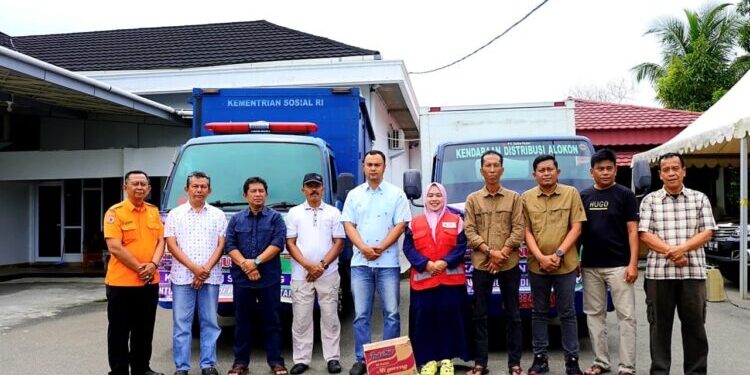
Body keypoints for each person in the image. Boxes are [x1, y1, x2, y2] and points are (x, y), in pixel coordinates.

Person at [638, 153, 716, 375]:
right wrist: (672, 253)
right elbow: (644, 234)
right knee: (659, 330)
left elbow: (708, 232)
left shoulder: (699, 198)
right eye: (666, 169)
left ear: (683, 171)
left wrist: (680, 250)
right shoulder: (650, 200)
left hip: (692, 273)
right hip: (658, 275)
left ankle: (697, 371)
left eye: (675, 168)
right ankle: (660, 372)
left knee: (695, 328)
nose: (671, 173)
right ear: (660, 174)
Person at [341, 150, 412, 375]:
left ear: (384, 167)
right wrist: (363, 248)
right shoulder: (354, 195)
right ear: (364, 167)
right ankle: (362, 359)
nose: (373, 168)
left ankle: (389, 360)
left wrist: (380, 247)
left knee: (391, 312)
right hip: (361, 264)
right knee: (362, 314)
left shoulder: (396, 194)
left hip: (388, 263)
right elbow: (348, 225)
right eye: (369, 164)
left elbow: (400, 225)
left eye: (377, 165)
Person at [522, 155, 586, 375]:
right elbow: (526, 231)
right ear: (534, 175)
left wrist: (558, 254)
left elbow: (576, 228)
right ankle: (540, 359)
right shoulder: (526, 198)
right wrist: (540, 256)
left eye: (550, 169)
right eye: (541, 170)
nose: (546, 173)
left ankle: (572, 361)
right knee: (538, 312)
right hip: (537, 265)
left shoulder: (571, 194)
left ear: (557, 172)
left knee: (567, 312)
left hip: (565, 264)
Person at [463, 150, 526, 375]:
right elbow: (469, 231)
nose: (492, 170)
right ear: (481, 171)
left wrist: (503, 253)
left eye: (495, 165)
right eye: (487, 166)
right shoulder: (472, 199)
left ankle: (515, 364)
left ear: (502, 169)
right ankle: (480, 364)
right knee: (480, 314)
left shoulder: (514, 198)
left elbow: (519, 229)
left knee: (513, 315)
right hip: (482, 264)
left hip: (508, 264)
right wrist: (491, 253)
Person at [579, 150, 639, 375]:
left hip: (620, 266)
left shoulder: (625, 195)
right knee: (594, 316)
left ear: (616, 170)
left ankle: (627, 367)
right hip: (591, 266)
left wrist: (633, 264)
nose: (605, 172)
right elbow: (578, 231)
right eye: (600, 168)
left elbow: (633, 231)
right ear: (591, 171)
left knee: (626, 317)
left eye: (609, 168)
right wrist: (576, 259)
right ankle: (601, 362)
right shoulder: (583, 196)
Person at [404, 182, 471, 375]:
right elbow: (408, 248)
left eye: (438, 195)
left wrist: (444, 262)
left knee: (449, 321)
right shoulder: (414, 223)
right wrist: (425, 264)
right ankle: (428, 361)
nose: (434, 199)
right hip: (423, 282)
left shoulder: (457, 220)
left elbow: (461, 245)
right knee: (425, 322)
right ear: (425, 199)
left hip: (450, 283)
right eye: (430, 195)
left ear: (444, 198)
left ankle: (447, 360)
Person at [164, 171, 227, 375]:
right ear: (187, 189)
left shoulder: (218, 214)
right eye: (195, 186)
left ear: (209, 190)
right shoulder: (175, 214)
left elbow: (221, 244)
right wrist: (194, 269)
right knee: (182, 324)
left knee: (210, 322)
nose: (199, 190)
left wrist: (205, 270)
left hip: (211, 277)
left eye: (203, 187)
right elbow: (171, 244)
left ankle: (208, 365)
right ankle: (181, 367)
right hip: (182, 277)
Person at [103, 170, 165, 375]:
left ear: (149, 188)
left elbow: (161, 242)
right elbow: (115, 247)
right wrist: (140, 268)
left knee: (144, 330)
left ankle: (141, 368)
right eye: (135, 183)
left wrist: (153, 265)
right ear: (125, 187)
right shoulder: (115, 212)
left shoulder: (153, 211)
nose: (139, 187)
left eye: (143, 184)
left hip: (149, 282)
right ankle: (119, 370)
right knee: (119, 331)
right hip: (121, 284)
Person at [224, 177, 288, 375]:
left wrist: (256, 262)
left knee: (272, 321)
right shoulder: (236, 219)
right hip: (243, 279)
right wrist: (246, 265)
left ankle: (276, 362)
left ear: (266, 194)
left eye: (261, 191)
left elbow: (278, 243)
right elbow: (230, 245)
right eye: (253, 191)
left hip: (269, 278)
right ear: (245, 195)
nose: (258, 194)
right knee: (242, 322)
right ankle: (240, 363)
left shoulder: (275, 218)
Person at [285, 173, 346, 375]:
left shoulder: (333, 213)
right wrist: (308, 266)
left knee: (330, 317)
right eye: (309, 186)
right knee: (301, 318)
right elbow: (290, 243)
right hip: (301, 274)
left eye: (317, 186)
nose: (313, 190)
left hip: (328, 273)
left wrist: (320, 266)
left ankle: (332, 358)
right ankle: (301, 359)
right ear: (303, 189)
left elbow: (339, 242)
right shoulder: (294, 213)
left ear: (323, 189)